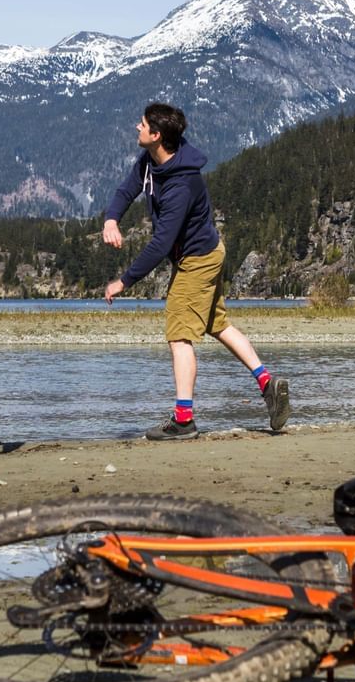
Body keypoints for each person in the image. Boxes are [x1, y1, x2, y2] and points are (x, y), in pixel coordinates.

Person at [101, 102, 289, 440]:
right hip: (206, 253)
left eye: (142, 124)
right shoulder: (150, 161)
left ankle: (184, 419)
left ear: (156, 136)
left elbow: (159, 245)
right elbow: (126, 189)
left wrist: (123, 281)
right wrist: (111, 219)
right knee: (217, 324)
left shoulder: (181, 185)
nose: (136, 127)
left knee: (179, 334)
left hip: (198, 259)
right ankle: (267, 384)